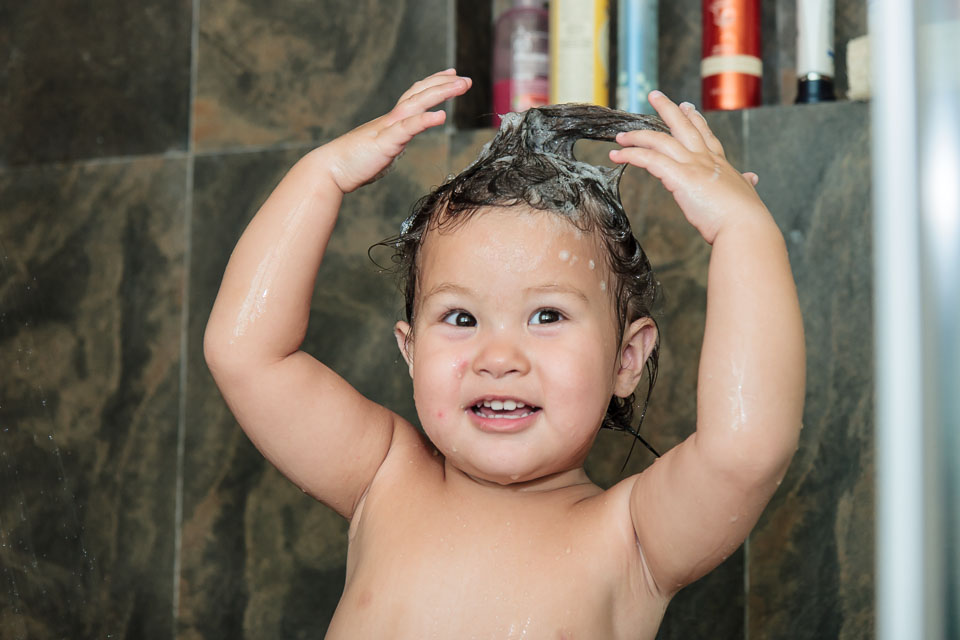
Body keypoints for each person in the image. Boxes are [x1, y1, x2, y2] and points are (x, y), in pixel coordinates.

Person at [204, 69, 805, 639]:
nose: (498, 357)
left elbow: (743, 452)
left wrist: (743, 232)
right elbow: (247, 354)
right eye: (461, 318)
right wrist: (321, 175)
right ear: (410, 351)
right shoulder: (382, 479)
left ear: (626, 359)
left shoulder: (632, 540)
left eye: (547, 316)